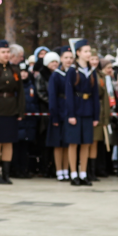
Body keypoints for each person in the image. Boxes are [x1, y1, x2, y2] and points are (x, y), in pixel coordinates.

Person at [0, 40, 25, 184]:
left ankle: (6, 174)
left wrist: (21, 111)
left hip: (11, 109)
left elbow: (20, 92)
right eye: (3, 52)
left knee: (9, 142)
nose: (6, 55)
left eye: (8, 52)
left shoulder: (15, 70)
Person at [63, 40, 99, 186]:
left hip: (88, 110)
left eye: (89, 51)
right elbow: (69, 93)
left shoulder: (92, 71)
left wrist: (96, 115)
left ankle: (83, 174)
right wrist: (71, 114)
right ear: (78, 53)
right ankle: (73, 174)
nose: (88, 54)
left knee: (86, 143)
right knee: (74, 143)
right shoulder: (72, 71)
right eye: (86, 51)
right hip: (76, 109)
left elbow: (96, 95)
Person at [47, 49, 71, 181]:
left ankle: (66, 170)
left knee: (68, 144)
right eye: (66, 57)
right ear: (61, 58)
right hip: (59, 110)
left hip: (69, 112)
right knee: (58, 144)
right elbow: (52, 96)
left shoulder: (72, 73)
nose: (68, 60)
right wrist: (54, 116)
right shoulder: (56, 75)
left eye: (70, 57)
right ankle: (59, 171)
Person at [94, 56, 115, 178]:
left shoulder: (108, 79)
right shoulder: (100, 78)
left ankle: (105, 167)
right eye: (108, 67)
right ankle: (97, 168)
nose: (110, 70)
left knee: (107, 142)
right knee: (99, 142)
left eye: (111, 68)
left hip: (108, 112)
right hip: (100, 112)